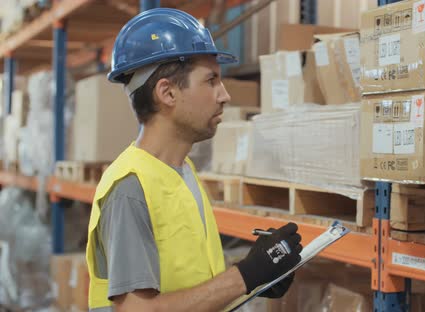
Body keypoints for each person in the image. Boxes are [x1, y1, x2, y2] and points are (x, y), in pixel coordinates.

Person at [85, 8, 303, 312]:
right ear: (168, 93)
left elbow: (188, 282)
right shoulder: (130, 189)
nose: (224, 94)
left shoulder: (182, 171)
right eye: (211, 80)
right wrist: (244, 276)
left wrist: (257, 280)